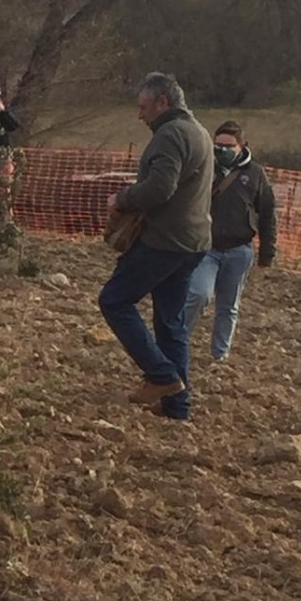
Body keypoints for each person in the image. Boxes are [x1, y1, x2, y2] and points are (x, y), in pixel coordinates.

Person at [98, 72, 213, 420]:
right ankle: (178, 406)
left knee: (115, 301)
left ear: (163, 102)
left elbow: (160, 188)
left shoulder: (170, 134)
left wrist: (122, 198)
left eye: (144, 107)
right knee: (170, 322)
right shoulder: (200, 132)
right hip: (194, 243)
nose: (140, 115)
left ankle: (161, 376)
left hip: (164, 240)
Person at [184, 120, 277, 362]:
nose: (222, 150)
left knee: (228, 306)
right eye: (218, 145)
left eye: (228, 145)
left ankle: (220, 355)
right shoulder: (204, 168)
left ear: (241, 145)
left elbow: (267, 213)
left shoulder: (255, 174)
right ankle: (177, 341)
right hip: (206, 247)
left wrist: (267, 252)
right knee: (198, 294)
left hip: (239, 250)